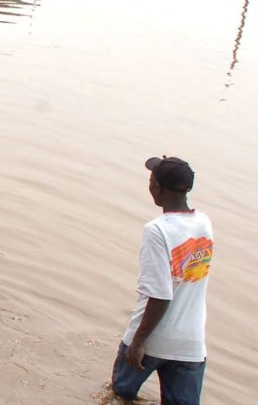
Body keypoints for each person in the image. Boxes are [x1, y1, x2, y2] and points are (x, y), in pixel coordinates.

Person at [111, 156, 213, 404]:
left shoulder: (157, 230)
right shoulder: (204, 222)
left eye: (151, 180)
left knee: (120, 395)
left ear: (157, 188)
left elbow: (160, 295)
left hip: (152, 339)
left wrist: (138, 341)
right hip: (190, 345)